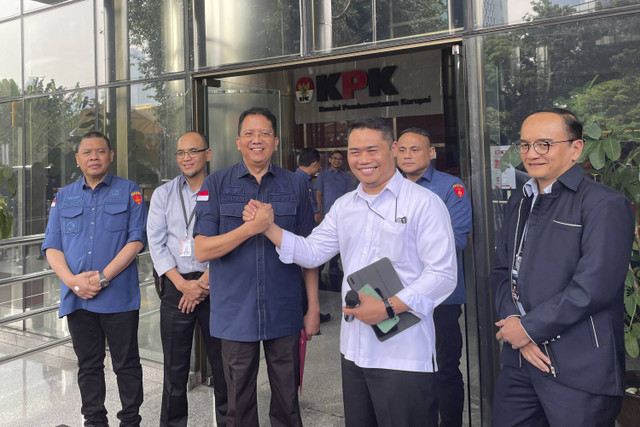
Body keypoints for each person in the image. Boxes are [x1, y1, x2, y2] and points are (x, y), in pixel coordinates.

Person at [244, 117, 458, 427]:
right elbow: (312, 252)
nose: (363, 159)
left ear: (393, 149)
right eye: (354, 152)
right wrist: (268, 228)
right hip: (354, 351)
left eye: (372, 150)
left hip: (404, 353)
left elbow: (443, 275)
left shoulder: (425, 203)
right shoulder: (345, 206)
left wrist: (388, 307)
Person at [491, 108, 634, 426]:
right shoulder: (521, 199)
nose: (532, 153)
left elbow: (594, 287)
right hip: (520, 365)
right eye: (525, 145)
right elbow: (503, 271)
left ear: (576, 148)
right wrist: (515, 322)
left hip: (579, 369)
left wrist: (528, 330)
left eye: (544, 144)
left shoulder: (603, 204)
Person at [193, 107, 319, 427]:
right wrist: (251, 228)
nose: (256, 140)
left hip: (285, 311)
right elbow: (202, 249)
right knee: (239, 405)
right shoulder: (216, 184)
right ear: (238, 141)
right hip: (235, 313)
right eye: (249, 133)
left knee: (289, 404)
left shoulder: (294, 186)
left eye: (264, 133)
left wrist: (313, 307)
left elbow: (309, 253)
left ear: (276, 142)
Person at [41, 131, 147, 427]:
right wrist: (74, 282)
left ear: (111, 155)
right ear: (78, 159)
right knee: (88, 365)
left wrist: (101, 278)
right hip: (78, 300)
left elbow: (136, 240)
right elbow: (52, 245)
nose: (94, 157)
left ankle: (130, 421)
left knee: (126, 365)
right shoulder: (63, 196)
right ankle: (94, 421)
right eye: (87, 152)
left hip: (118, 298)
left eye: (100, 151)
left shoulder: (130, 191)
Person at [147, 131, 228, 427]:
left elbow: (230, 240)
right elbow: (155, 243)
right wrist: (182, 284)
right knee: (175, 368)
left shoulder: (222, 190)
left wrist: (205, 282)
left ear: (208, 154)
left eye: (193, 151)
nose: (186, 158)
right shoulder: (163, 194)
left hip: (215, 283)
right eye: (181, 153)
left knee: (223, 367)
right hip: (175, 285)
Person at [397, 128, 472, 427]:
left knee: (444, 368)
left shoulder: (450, 187)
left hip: (440, 297)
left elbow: (456, 241)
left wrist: (399, 246)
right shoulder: (386, 187)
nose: (407, 155)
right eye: (402, 150)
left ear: (431, 153)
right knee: (402, 370)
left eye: (415, 149)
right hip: (396, 295)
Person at [295, 148, 331, 323]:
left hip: (300, 234)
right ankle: (307, 312)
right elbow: (311, 211)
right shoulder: (302, 182)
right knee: (306, 274)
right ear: (315, 163)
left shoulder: (295, 179)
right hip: (304, 234)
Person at [314, 150, 355, 275]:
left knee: (341, 240)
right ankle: (319, 269)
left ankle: (333, 265)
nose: (337, 161)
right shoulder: (323, 176)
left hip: (342, 215)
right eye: (335, 158)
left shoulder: (345, 177)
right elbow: (318, 194)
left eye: (340, 159)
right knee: (324, 241)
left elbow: (350, 195)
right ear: (330, 160)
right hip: (326, 213)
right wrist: (319, 211)